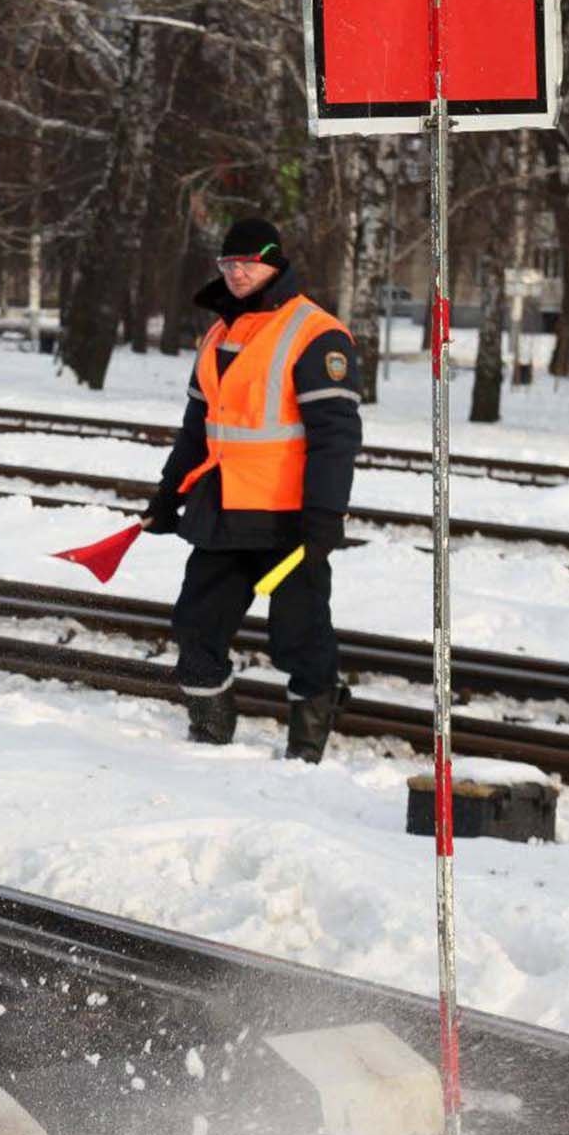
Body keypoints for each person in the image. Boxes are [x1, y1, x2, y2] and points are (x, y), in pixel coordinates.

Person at [142, 218, 362, 763]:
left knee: (300, 637)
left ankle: (306, 752)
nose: (238, 273)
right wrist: (169, 493)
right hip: (223, 511)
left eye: (249, 263)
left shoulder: (316, 333)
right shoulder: (220, 332)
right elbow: (198, 426)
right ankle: (211, 736)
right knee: (195, 627)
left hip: (288, 519)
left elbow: (336, 437)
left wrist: (325, 515)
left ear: (275, 264)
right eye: (229, 263)